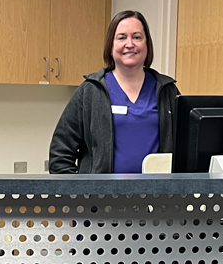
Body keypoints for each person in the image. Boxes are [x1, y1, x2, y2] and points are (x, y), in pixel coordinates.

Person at [48, 10, 181, 174]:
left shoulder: (167, 91)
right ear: (111, 47)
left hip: (156, 197)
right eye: (122, 37)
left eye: (137, 37)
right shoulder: (90, 91)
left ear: (147, 45)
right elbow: (60, 153)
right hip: (102, 198)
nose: (130, 44)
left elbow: (185, 151)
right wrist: (78, 194)